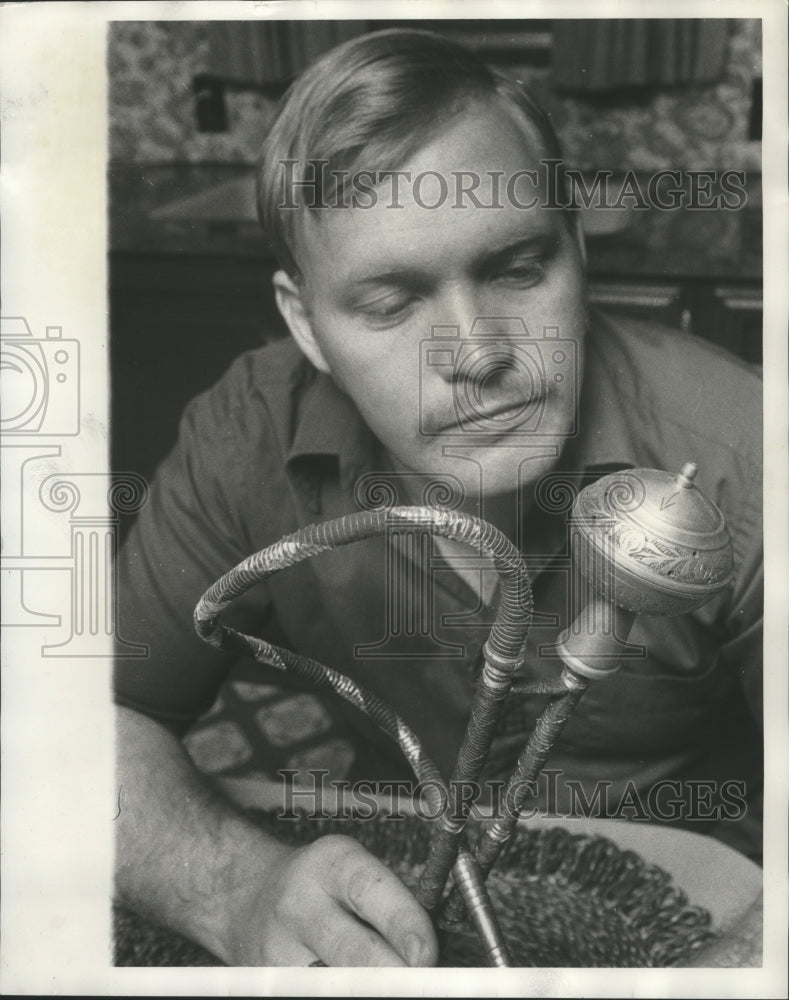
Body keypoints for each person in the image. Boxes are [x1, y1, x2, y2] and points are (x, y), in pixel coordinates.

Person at [114, 28, 763, 967]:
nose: (476, 355)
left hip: (697, 877)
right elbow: (89, 722)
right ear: (305, 322)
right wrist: (235, 887)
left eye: (515, 268)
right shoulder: (246, 433)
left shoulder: (745, 448)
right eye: (388, 303)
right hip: (399, 860)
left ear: (578, 250)